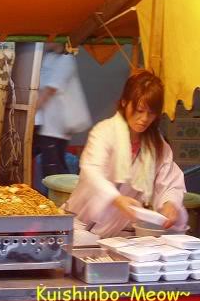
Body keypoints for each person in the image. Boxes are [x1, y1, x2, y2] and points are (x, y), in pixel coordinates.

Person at [63, 69, 188, 242]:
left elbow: (170, 182)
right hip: (79, 225)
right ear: (124, 102)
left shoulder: (157, 145)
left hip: (116, 234)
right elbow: (92, 171)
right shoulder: (104, 132)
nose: (144, 118)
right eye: (139, 110)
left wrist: (170, 204)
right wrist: (116, 198)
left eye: (151, 113)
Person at [33, 42, 91, 177]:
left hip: (56, 127)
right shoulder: (48, 58)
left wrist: (30, 111)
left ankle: (60, 197)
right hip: (44, 124)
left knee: (53, 170)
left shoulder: (66, 60)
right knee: (49, 167)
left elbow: (49, 90)